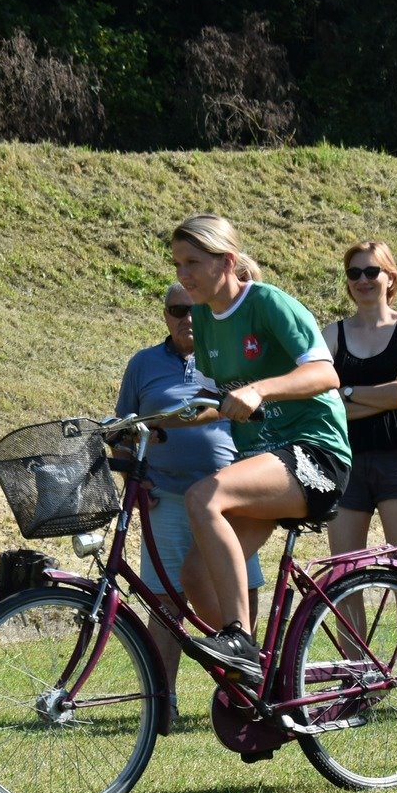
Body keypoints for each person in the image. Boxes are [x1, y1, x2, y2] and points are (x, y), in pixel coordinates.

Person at [168, 214, 350, 683]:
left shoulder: (268, 303)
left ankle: (240, 641)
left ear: (227, 261)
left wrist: (259, 390)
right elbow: (210, 402)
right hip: (263, 462)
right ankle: (256, 679)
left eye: (192, 263)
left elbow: (325, 374)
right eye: (177, 264)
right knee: (195, 576)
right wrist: (146, 425)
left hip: (315, 455)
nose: (183, 275)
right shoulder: (203, 317)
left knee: (203, 497)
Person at [113, 282, 263, 687]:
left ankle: (245, 688)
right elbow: (124, 431)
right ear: (166, 316)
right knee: (165, 602)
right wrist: (132, 478)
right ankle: (164, 699)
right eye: (178, 310)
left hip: (228, 499)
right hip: (164, 497)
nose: (188, 318)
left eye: (196, 309)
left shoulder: (227, 359)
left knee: (243, 589)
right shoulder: (143, 364)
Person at [324, 241, 397, 562]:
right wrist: (388, 395)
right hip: (346, 458)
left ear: (390, 277)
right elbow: (322, 406)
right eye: (354, 273)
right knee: (345, 569)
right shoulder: (332, 334)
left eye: (372, 271)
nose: (363, 280)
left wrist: (346, 392)